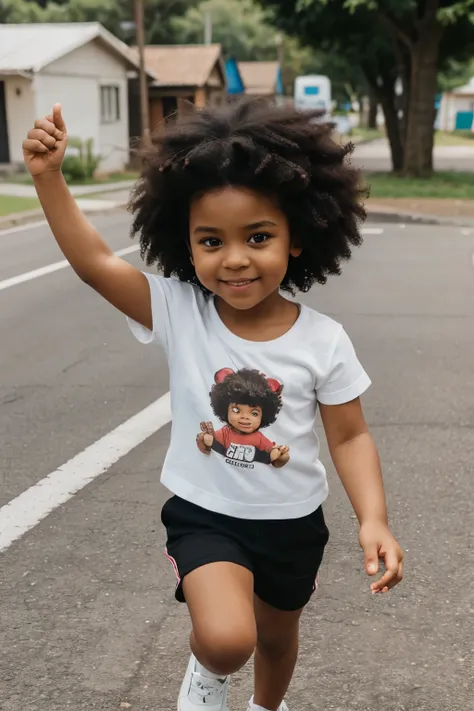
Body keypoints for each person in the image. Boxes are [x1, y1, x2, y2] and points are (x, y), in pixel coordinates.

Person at [22, 98, 404, 711]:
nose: (234, 259)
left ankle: (264, 707)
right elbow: (96, 265)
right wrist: (49, 177)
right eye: (210, 240)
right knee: (228, 640)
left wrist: (373, 518)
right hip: (206, 514)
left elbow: (350, 437)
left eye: (258, 237)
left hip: (293, 524)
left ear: (298, 237)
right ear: (186, 244)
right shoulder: (180, 310)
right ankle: (208, 673)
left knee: (277, 642)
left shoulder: (323, 340)